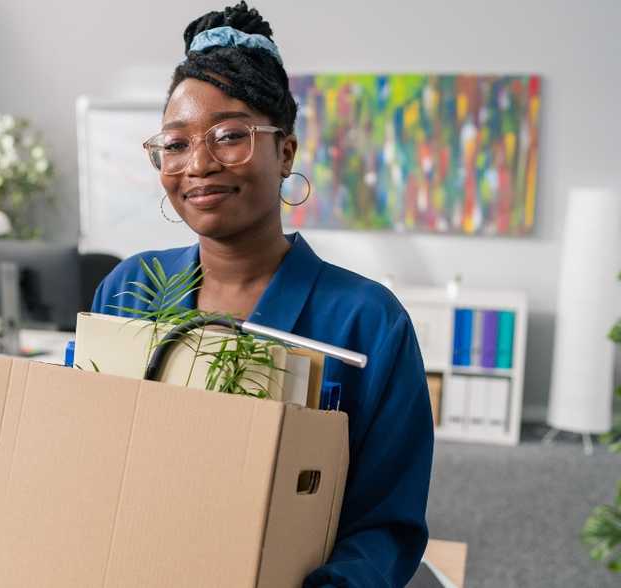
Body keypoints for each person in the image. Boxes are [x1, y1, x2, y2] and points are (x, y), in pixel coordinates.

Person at [90, 3, 434, 586]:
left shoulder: (368, 321)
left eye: (230, 136)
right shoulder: (129, 288)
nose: (199, 164)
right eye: (176, 144)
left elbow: (385, 526)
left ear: (286, 152)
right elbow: (89, 452)